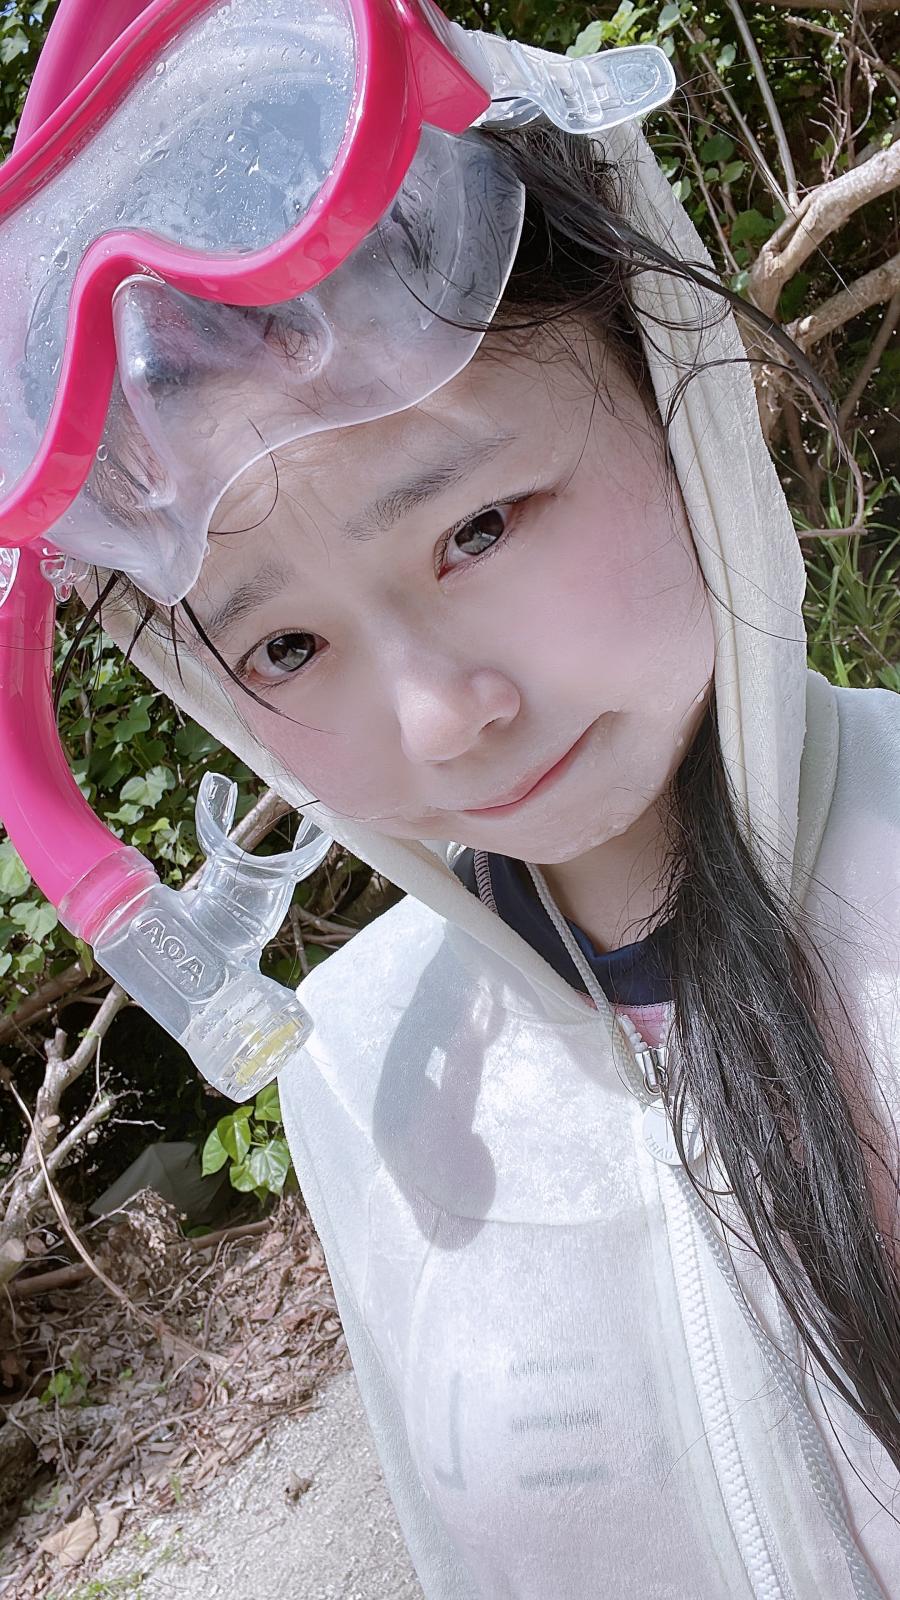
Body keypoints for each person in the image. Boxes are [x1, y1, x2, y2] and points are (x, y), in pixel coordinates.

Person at [1, 1, 899, 1594]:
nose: (442, 718)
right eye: (287, 645)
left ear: (665, 376)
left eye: (478, 527)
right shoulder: (360, 1069)